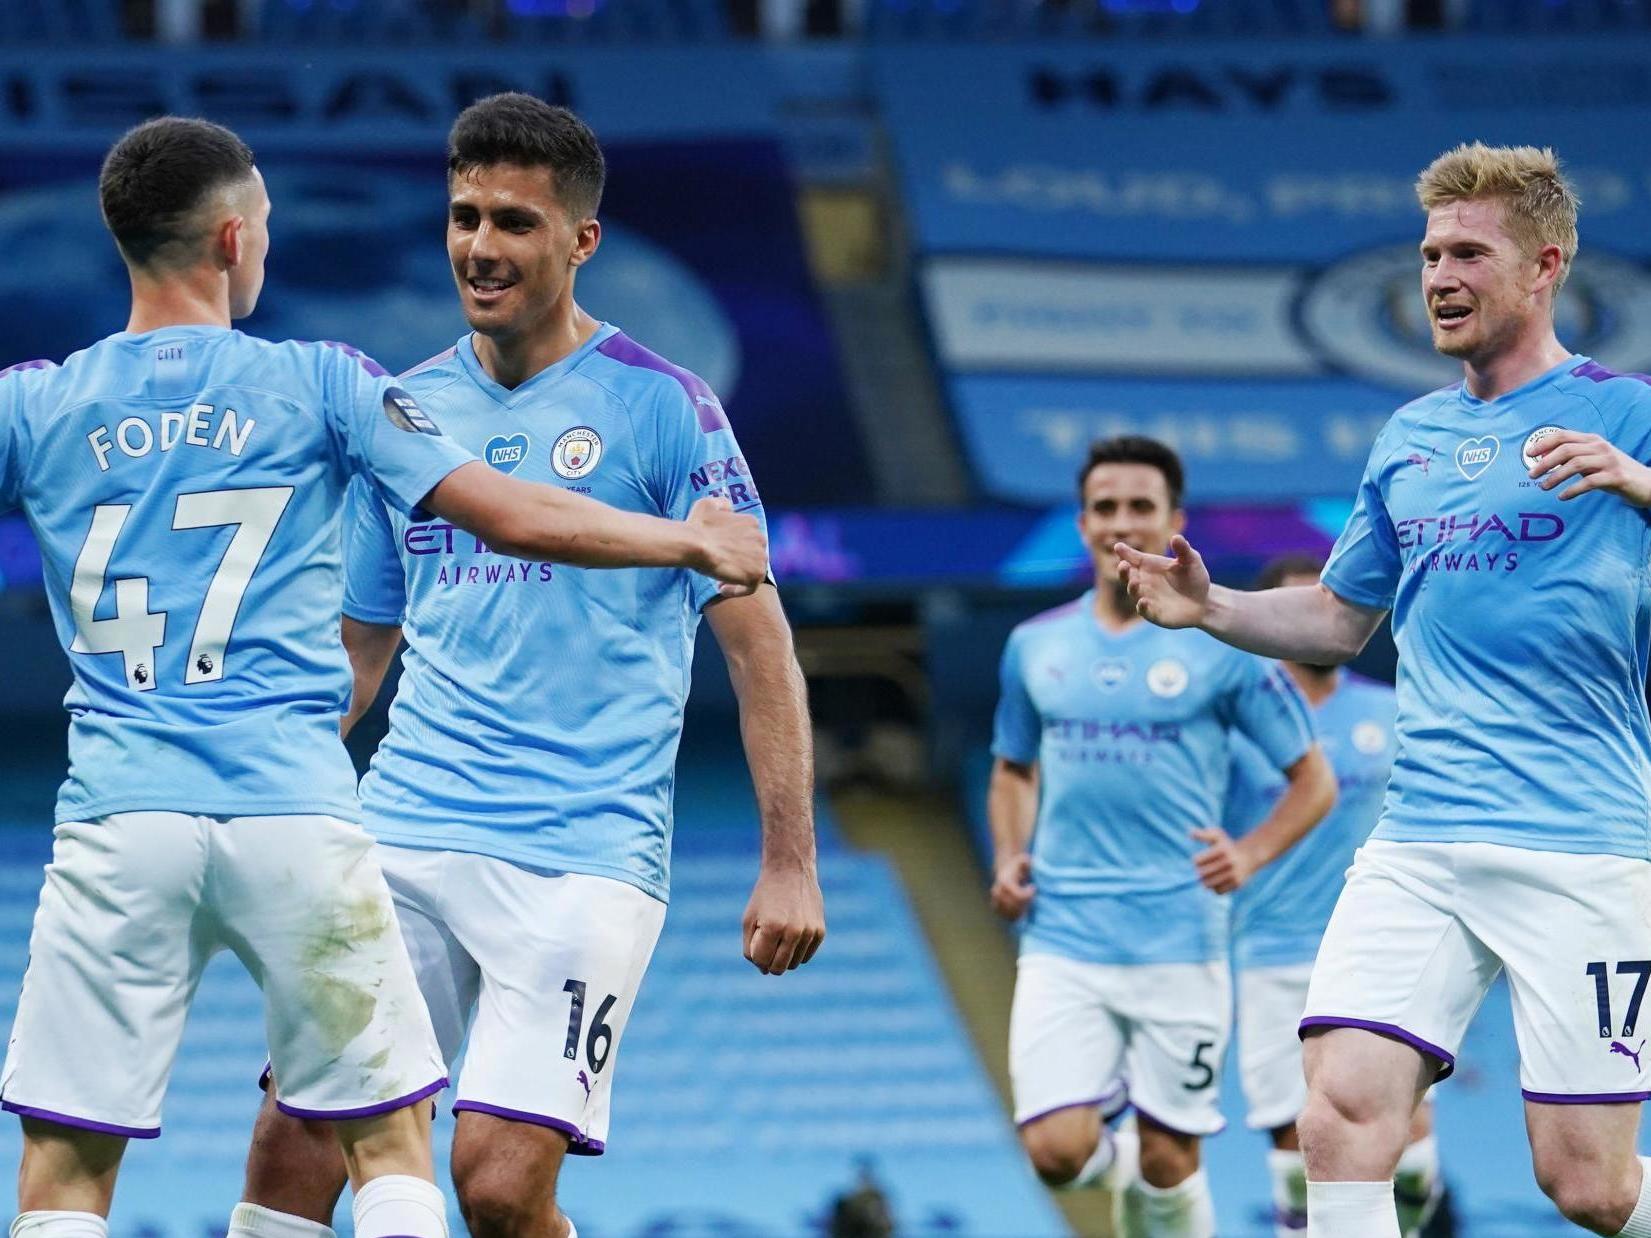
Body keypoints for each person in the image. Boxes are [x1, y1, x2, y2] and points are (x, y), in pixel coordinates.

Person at [0, 116, 765, 1238]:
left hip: (120, 819)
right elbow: (508, 514)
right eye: (262, 225)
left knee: (66, 1164)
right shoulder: (324, 382)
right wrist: (686, 542)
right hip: (294, 814)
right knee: (385, 1139)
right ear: (229, 240)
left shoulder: (31, 401)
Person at [227, 94, 826, 1238]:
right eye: (463, 218)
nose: (481, 248)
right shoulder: (407, 412)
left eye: (513, 222)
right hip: (402, 827)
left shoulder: (668, 408)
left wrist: (789, 859)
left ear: (580, 241)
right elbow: (363, 640)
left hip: (582, 852)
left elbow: (760, 646)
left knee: (498, 1188)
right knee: (291, 1139)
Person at [1118, 142, 1651, 1238]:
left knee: (1589, 1186)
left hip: (1581, 838)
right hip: (1421, 837)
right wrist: (1210, 607)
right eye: (1427, 253)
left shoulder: (1626, 411)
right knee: (1340, 1113)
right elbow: (1338, 615)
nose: (1440, 276)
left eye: (1469, 252)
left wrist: (1638, 482)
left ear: (1546, 265)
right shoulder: (1409, 438)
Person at [988, 435, 1335, 1237]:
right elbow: (1011, 768)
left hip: (1181, 941)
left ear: (1173, 521)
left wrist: (1249, 852)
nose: (1122, 522)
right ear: (1081, 525)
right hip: (1063, 938)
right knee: (1053, 1151)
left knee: (1169, 1160)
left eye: (1139, 507)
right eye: (1104, 508)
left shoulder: (1225, 650)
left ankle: (1145, 1154)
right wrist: (1009, 855)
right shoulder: (1032, 647)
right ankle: (1114, 1122)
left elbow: (1310, 779)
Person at [1224, 554, 1440, 1238]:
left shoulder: (1393, 710)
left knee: (1407, 1154)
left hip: (1382, 946)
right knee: (1298, 1157)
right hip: (1272, 952)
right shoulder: (1237, 724)